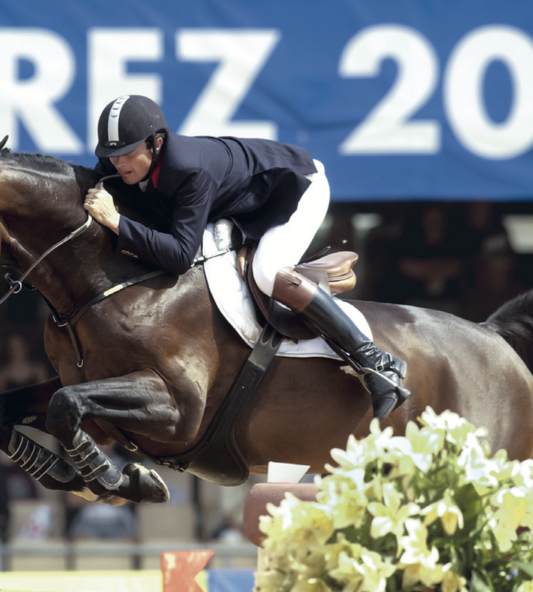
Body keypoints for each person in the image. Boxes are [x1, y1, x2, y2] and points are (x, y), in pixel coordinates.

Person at [84, 95, 409, 421]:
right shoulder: (122, 164)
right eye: (111, 156)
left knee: (267, 272)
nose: (118, 163)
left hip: (297, 190)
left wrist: (116, 222)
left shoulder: (188, 169)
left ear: (156, 143)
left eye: (127, 154)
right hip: (241, 205)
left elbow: (181, 255)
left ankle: (376, 362)